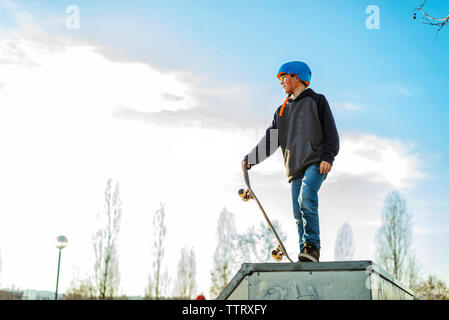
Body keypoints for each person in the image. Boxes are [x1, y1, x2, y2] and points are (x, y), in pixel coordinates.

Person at [241, 61, 339, 262]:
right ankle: (306, 251)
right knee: (297, 213)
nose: (281, 82)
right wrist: (251, 159)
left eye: (284, 77)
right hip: (294, 168)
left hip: (316, 161)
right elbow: (271, 140)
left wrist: (328, 156)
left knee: (307, 197)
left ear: (297, 77)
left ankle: (313, 246)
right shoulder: (282, 111)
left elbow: (331, 133)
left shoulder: (317, 101)